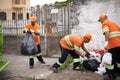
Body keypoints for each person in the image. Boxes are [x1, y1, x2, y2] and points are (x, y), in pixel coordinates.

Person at [98, 14, 120, 80]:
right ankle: (118, 74)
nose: (101, 22)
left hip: (112, 45)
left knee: (109, 61)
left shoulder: (105, 23)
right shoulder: (114, 23)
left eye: (100, 20)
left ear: (103, 18)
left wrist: (106, 43)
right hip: (119, 45)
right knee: (118, 60)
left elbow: (107, 32)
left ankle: (111, 77)